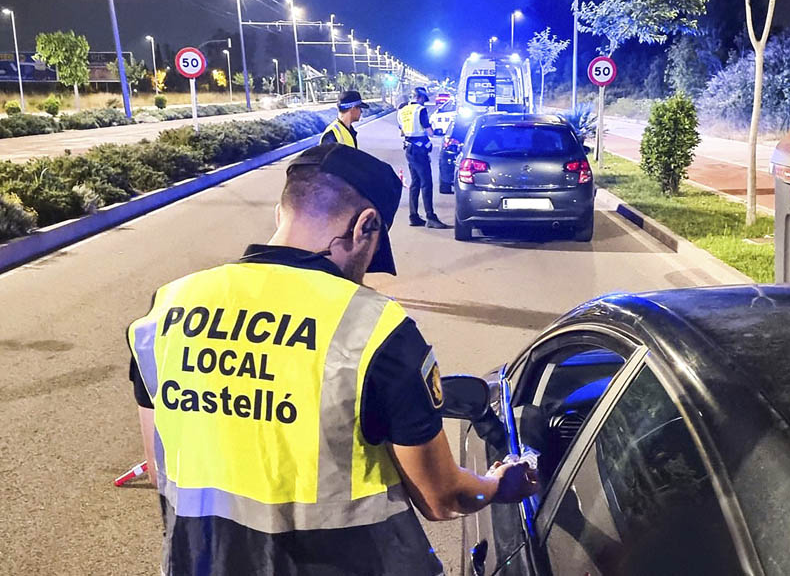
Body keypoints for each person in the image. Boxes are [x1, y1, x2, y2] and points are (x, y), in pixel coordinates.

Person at [127, 143, 538, 576]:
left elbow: (161, 471)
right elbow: (442, 498)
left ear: (281, 212)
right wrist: (496, 484)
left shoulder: (167, 309)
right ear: (366, 225)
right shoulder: (376, 330)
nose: (365, 271)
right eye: (373, 251)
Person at [398, 87, 449, 228]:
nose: (424, 103)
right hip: (420, 151)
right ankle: (430, 217)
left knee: (415, 183)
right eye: (424, 100)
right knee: (426, 183)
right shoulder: (420, 110)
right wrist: (434, 132)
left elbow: (402, 131)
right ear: (420, 97)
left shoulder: (402, 111)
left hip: (409, 149)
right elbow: (430, 132)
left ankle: (413, 216)